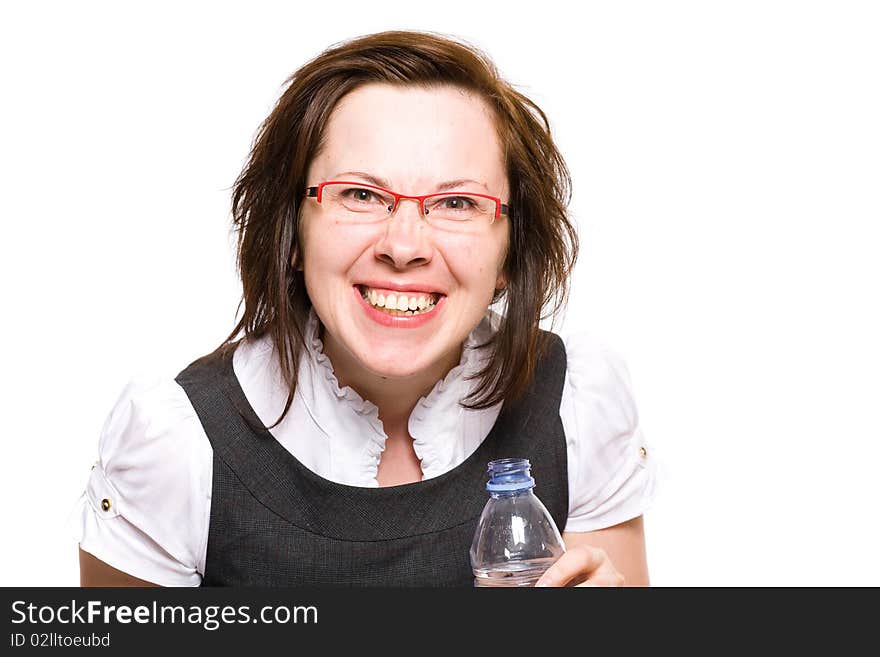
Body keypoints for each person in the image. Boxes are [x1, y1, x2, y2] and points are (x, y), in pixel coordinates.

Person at [71, 30, 656, 587]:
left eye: (456, 202)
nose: (403, 247)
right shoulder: (177, 442)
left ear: (510, 250)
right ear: (292, 234)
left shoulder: (578, 404)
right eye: (360, 194)